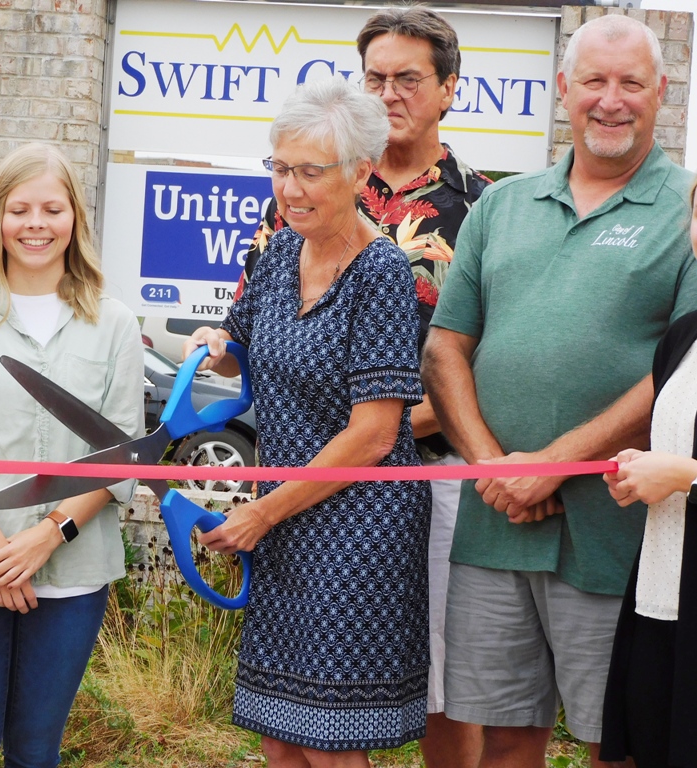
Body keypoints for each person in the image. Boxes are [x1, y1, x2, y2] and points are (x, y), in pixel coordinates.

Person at [421, 15, 697, 767]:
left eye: (631, 83)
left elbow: (681, 371)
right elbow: (446, 347)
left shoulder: (688, 209)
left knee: (620, 743)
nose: (611, 100)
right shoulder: (502, 205)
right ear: (563, 88)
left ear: (661, 92)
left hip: (619, 532)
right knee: (505, 737)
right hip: (495, 525)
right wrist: (494, 468)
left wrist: (554, 462)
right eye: (595, 81)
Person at [240, 9, 489, 764]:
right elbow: (246, 329)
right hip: (302, 487)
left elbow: (477, 362)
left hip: (410, 480)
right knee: (288, 726)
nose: (389, 92)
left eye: (407, 78)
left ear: (448, 88)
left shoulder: (482, 207)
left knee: (444, 692)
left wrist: (386, 430)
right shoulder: (293, 217)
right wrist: (214, 347)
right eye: (375, 77)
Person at [186, 75, 430, 767]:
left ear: (360, 172)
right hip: (286, 518)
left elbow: (374, 434)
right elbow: (241, 345)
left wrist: (262, 515)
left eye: (309, 172)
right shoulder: (279, 254)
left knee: (330, 742)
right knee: (278, 733)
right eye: (280, 168)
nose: (289, 189)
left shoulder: (381, 272)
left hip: (357, 529)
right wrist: (217, 343)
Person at [0, 142, 143, 768]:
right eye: (19, 210)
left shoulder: (116, 324)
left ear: (75, 217)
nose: (35, 224)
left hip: (74, 567)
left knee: (35, 750)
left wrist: (48, 537)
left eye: (52, 209)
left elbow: (120, 456)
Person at [599, 180, 697, 767]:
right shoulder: (684, 336)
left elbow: (686, 468)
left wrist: (685, 474)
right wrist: (646, 466)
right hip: (663, 596)